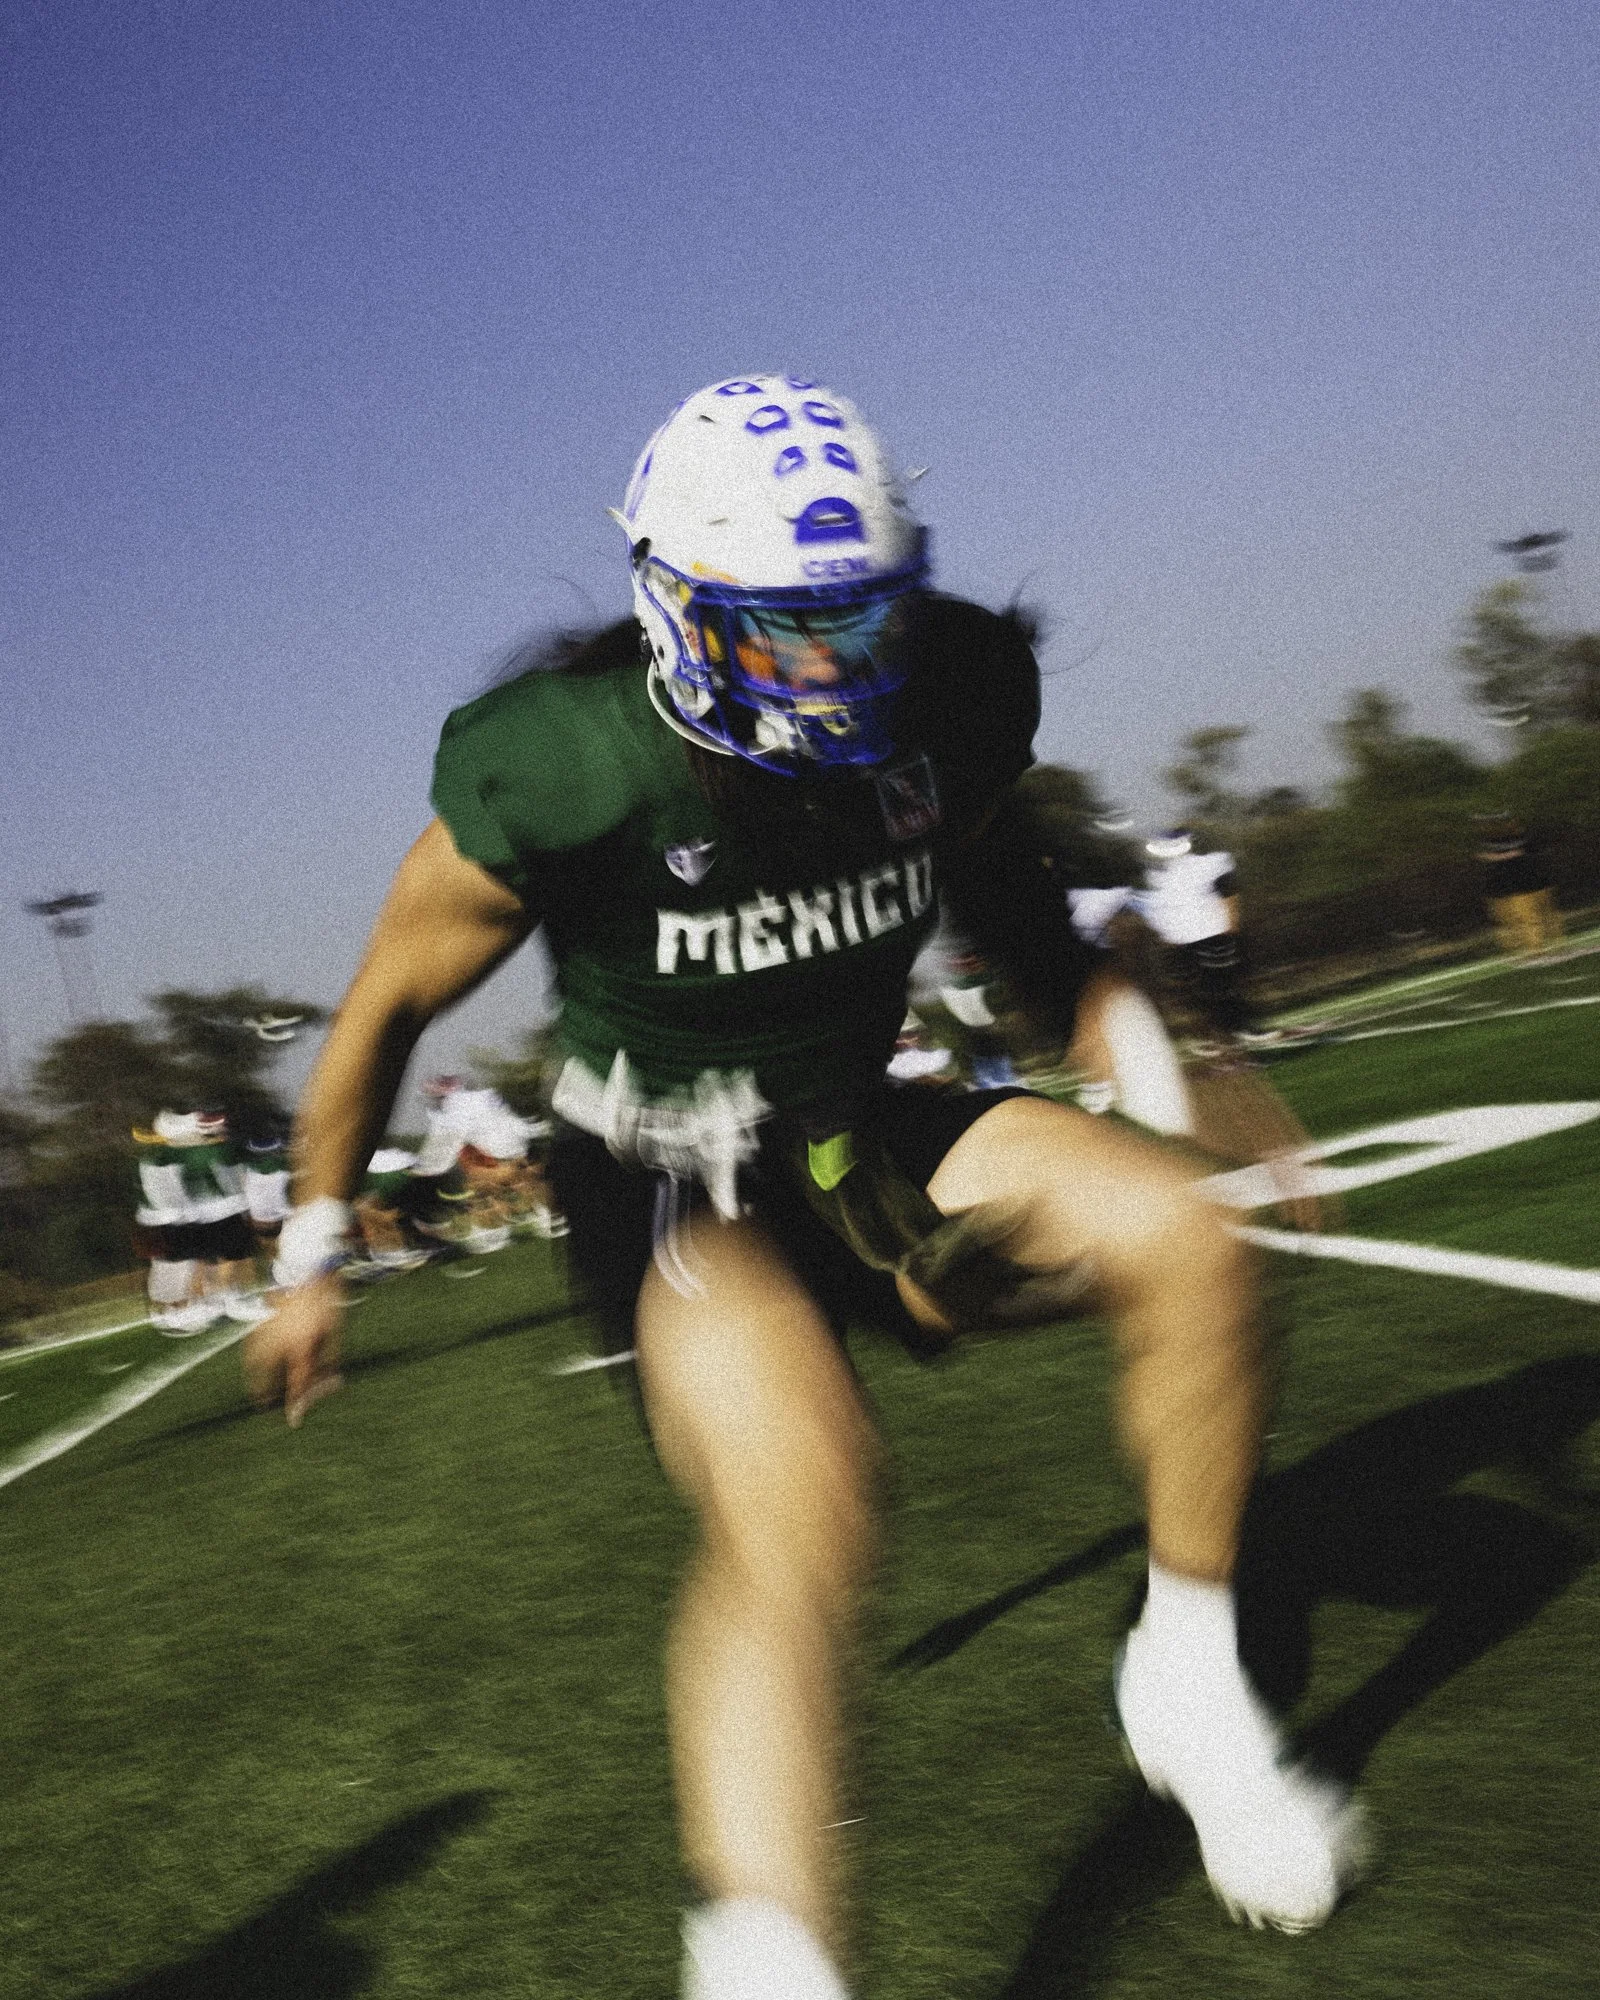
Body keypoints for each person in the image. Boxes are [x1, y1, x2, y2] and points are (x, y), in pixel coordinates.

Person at [245, 375, 1362, 1996]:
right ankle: (771, 1967)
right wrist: (310, 1246)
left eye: (864, 625)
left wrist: (1152, 1050)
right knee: (811, 1507)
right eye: (790, 634)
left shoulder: (957, 686)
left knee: (1188, 1240)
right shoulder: (571, 766)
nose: (839, 673)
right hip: (671, 1168)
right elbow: (378, 1018)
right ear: (679, 619)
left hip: (853, 1119)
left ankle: (1190, 1685)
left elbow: (1011, 903)